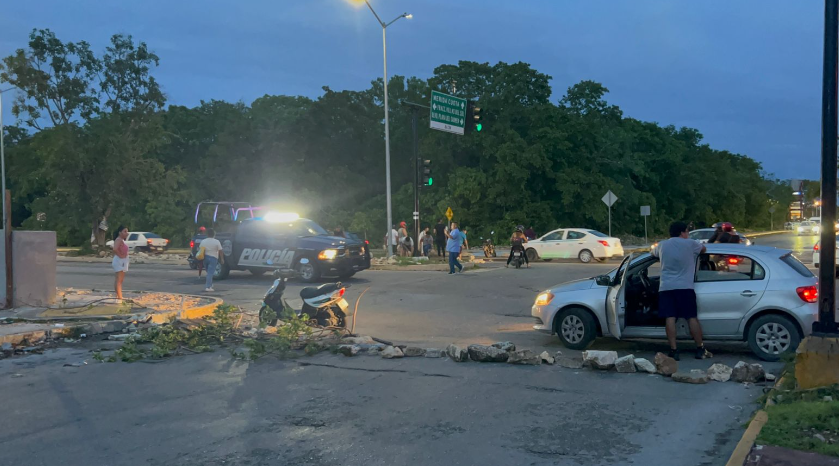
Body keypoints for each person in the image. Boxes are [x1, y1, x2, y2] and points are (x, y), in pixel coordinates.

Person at [651, 221, 711, 361]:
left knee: (670, 318)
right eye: (687, 232)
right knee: (691, 317)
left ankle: (674, 350)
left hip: (666, 287)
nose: (688, 234)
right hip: (685, 287)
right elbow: (703, 250)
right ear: (682, 232)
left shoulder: (662, 245)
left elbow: (653, 253)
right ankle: (700, 348)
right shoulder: (691, 244)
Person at [200, 228, 224, 292]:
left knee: (208, 272)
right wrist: (222, 259)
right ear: (214, 234)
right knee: (210, 273)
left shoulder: (203, 241)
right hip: (213, 258)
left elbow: (201, 250)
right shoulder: (216, 241)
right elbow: (220, 250)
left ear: (207, 234)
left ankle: (210, 283)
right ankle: (208, 287)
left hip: (205, 258)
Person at [112, 226, 130, 300]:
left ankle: (118, 295)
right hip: (120, 261)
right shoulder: (119, 240)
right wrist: (121, 256)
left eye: (127, 231)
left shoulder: (121, 240)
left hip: (121, 260)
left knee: (118, 279)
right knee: (119, 280)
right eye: (125, 231)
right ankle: (119, 297)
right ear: (120, 232)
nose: (127, 233)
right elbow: (115, 249)